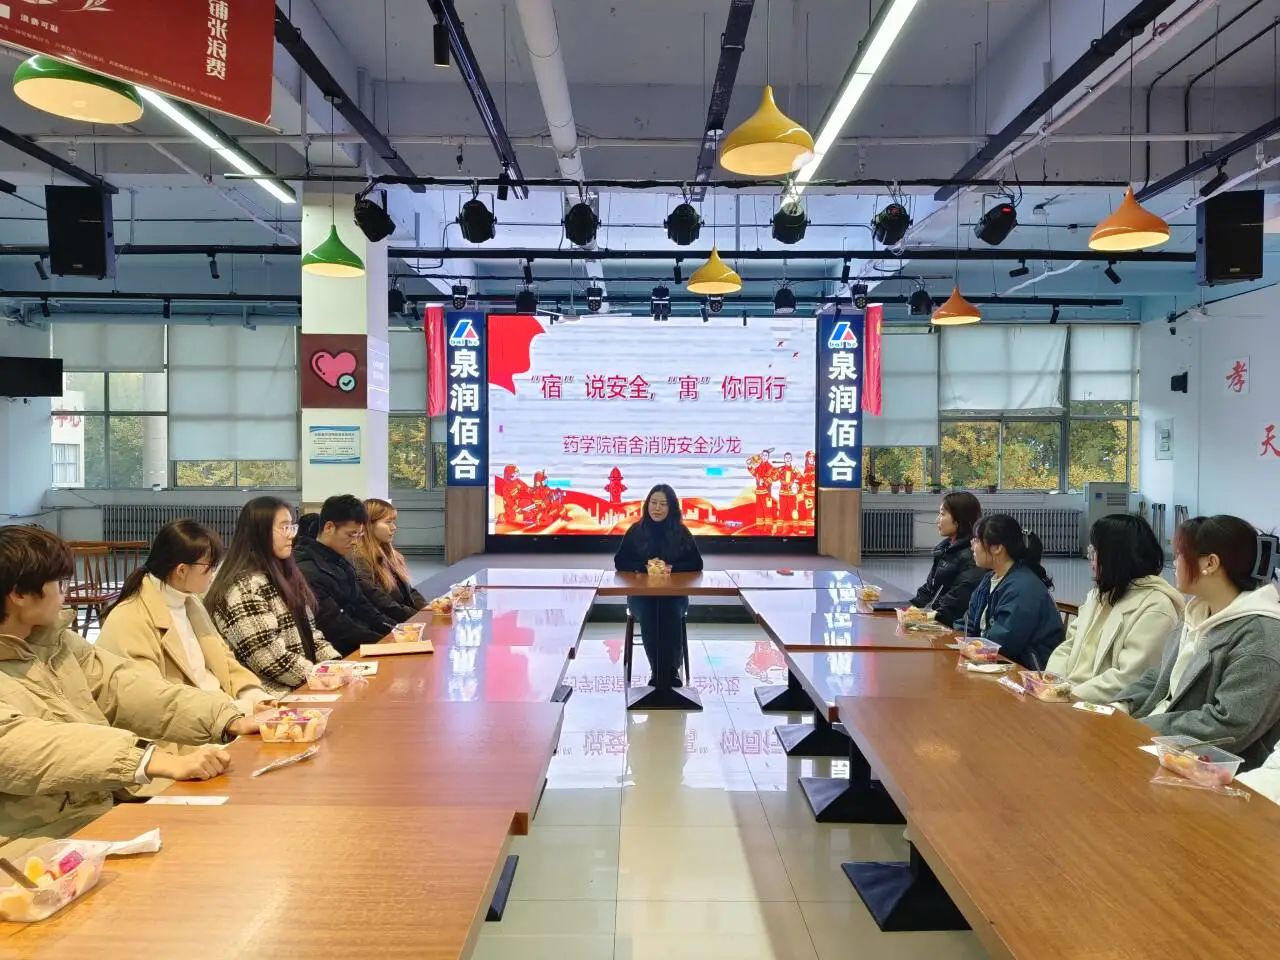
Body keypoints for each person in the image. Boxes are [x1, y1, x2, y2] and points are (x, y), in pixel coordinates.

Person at [1, 525, 258, 856]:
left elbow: (124, 687)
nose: (67, 592)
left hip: (97, 813)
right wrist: (147, 759)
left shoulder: (55, 641)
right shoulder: (129, 615)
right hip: (31, 841)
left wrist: (226, 717)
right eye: (61, 583)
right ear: (20, 594)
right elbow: (32, 745)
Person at [1114, 515, 1280, 768]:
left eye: (1179, 554)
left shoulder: (1261, 635)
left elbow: (1228, 725)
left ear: (1210, 563)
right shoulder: (1198, 613)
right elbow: (1161, 677)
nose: (1174, 563)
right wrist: (1121, 705)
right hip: (1158, 744)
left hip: (1205, 769)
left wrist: (1138, 727)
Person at [98, 519, 271, 718]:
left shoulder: (190, 602)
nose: (213, 573)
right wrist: (237, 710)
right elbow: (150, 701)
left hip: (222, 711)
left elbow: (223, 659)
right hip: (188, 725)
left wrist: (253, 695)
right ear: (181, 570)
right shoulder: (130, 618)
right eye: (210, 566)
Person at [206, 497, 341, 696]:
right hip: (271, 696)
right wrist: (322, 676)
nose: (291, 535)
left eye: (292, 527)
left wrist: (336, 666)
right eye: (284, 527)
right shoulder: (244, 587)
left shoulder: (284, 574)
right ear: (258, 532)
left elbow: (312, 635)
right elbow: (270, 660)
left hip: (303, 682)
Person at [1046, 515, 1184, 704]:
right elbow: (1069, 645)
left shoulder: (1156, 607)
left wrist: (1068, 695)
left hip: (1102, 707)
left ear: (1115, 558)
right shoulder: (1100, 594)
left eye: (1095, 551)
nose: (1090, 559)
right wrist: (1052, 683)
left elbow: (1128, 679)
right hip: (1069, 697)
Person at [613, 484, 703, 688]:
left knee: (669, 610)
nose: (657, 508)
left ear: (671, 508)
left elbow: (697, 563)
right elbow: (620, 561)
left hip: (674, 596)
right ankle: (658, 670)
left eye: (663, 504)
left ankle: (671, 671)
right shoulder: (636, 531)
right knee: (650, 611)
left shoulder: (681, 532)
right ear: (647, 505)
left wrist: (672, 568)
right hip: (641, 597)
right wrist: (643, 567)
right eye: (653, 503)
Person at [293, 495, 397, 655]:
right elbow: (336, 625)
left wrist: (396, 630)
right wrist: (383, 643)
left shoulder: (341, 561)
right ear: (329, 527)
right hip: (335, 652)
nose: (355, 541)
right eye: (351, 534)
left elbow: (364, 606)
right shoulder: (307, 569)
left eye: (359, 535)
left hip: (358, 642)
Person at [963, 513, 1063, 669]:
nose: (972, 547)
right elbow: (967, 623)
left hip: (1026, 669)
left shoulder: (1023, 588)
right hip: (994, 661)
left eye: (976, 540)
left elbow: (1003, 644)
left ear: (997, 548)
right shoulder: (989, 579)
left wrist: (971, 648)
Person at [909, 492, 985, 626]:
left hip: (949, 625)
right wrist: (912, 610)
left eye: (942, 514)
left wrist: (926, 616)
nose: (937, 519)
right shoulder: (944, 549)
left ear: (959, 519)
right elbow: (929, 589)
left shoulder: (972, 556)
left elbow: (956, 602)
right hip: (933, 619)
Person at [352, 498, 427, 623]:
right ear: (369, 524)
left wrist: (429, 609)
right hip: (387, 625)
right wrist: (418, 617)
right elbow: (381, 602)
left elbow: (410, 592)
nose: (394, 527)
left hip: (405, 619)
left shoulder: (391, 554)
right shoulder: (358, 558)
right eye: (388, 522)